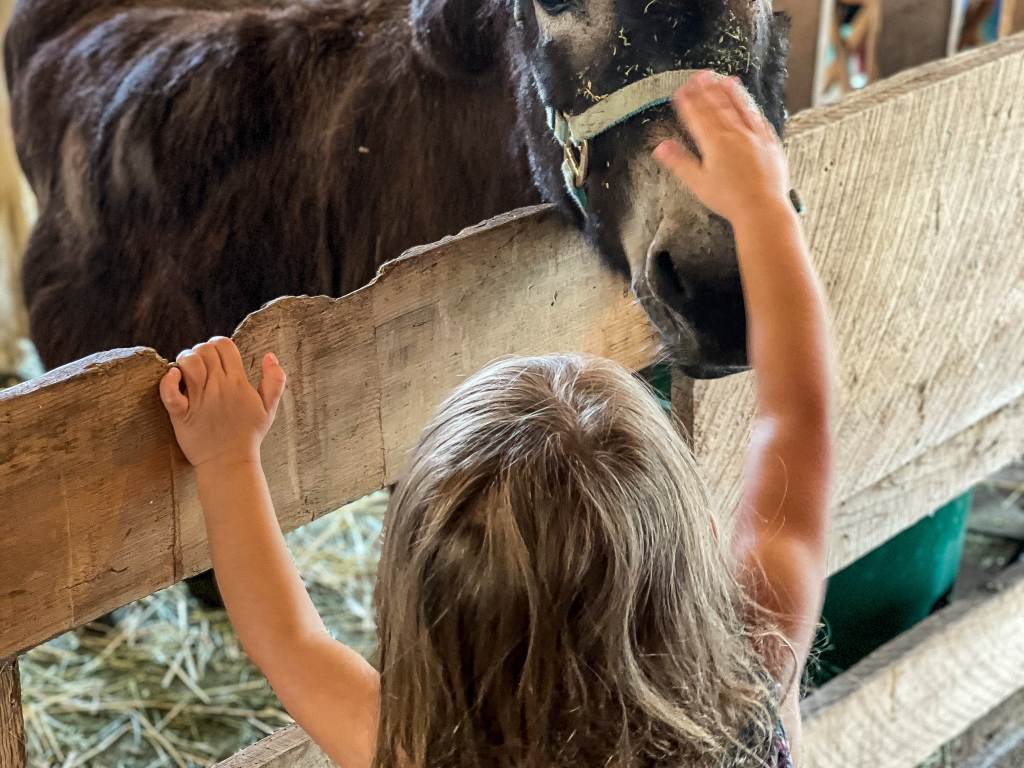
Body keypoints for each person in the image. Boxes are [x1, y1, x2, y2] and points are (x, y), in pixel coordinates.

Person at [159, 71, 834, 768]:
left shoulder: (411, 750)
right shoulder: (753, 682)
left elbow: (287, 642)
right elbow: (797, 418)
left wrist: (227, 460)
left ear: (422, 613)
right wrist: (763, 213)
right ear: (692, 550)